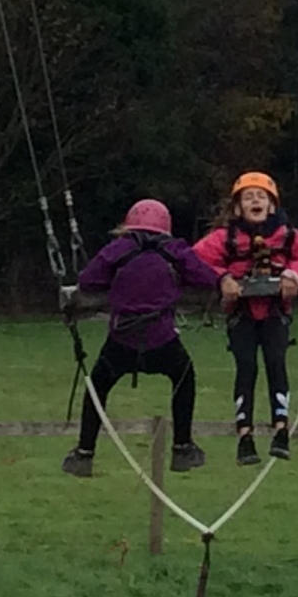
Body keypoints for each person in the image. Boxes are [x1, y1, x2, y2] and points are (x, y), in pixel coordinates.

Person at [62, 198, 230, 478]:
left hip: (122, 339)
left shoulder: (118, 249)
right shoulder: (174, 250)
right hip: (161, 338)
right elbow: (204, 277)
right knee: (184, 376)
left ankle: (84, 452)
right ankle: (183, 447)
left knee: (97, 386)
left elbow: (89, 280)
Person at [195, 172, 298, 466]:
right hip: (242, 314)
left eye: (261, 197)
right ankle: (245, 435)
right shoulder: (225, 238)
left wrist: (295, 274)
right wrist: (222, 278)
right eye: (248, 197)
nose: (255, 201)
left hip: (275, 312)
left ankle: (281, 429)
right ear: (238, 208)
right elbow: (196, 259)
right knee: (246, 366)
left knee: (276, 362)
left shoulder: (288, 236)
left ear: (272, 205)